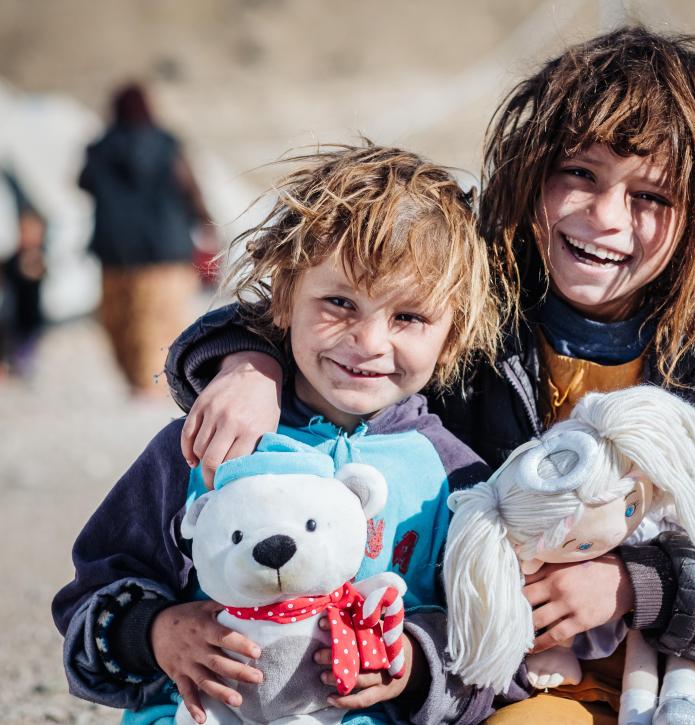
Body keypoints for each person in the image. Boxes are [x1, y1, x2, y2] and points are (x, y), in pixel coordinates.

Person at [162, 25, 695, 725]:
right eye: (581, 174)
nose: (605, 217)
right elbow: (329, 310)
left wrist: (637, 587)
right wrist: (249, 361)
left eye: (650, 198)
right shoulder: (470, 300)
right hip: (525, 676)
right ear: (533, 168)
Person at [52, 145, 500, 725]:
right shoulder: (212, 441)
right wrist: (156, 632)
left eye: (408, 318)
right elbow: (93, 591)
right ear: (286, 298)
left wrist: (414, 662)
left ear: (455, 333)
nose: (368, 342)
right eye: (339, 303)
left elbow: (487, 645)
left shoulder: (455, 479)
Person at [79, 82, 216, 397]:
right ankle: (152, 384)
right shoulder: (168, 145)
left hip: (115, 251)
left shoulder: (99, 148)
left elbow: (82, 183)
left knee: (121, 320)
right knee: (159, 320)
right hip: (166, 250)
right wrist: (208, 223)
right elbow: (189, 188)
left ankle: (136, 381)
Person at [0, 170, 46, 379]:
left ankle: (20, 363)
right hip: (12, 315)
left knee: (22, 337)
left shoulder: (33, 257)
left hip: (27, 320)